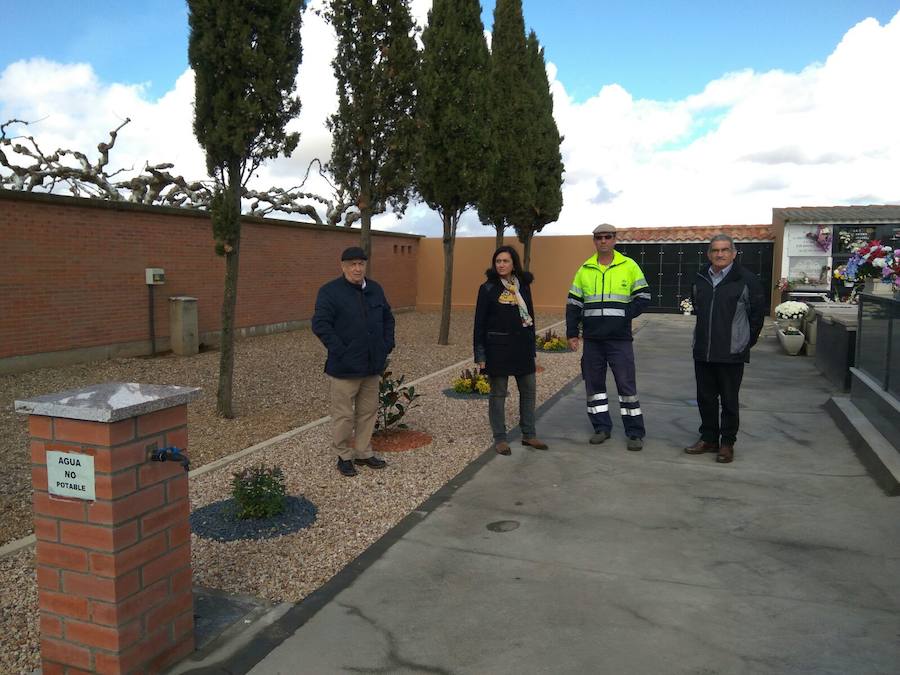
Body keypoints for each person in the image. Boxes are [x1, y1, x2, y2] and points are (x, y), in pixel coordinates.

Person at [566, 223, 651, 450]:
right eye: (599, 237)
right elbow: (574, 304)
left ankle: (634, 433)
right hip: (593, 340)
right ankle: (601, 428)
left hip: (619, 339)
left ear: (615, 239)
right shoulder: (585, 269)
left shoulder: (629, 266)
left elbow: (644, 296)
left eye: (607, 237)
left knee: (626, 385)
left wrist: (624, 315)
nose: (603, 240)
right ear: (594, 241)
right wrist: (572, 333)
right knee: (594, 386)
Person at [312, 246, 395, 477]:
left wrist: (387, 344)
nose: (357, 268)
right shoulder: (330, 292)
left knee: (368, 411)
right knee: (344, 415)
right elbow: (320, 325)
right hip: (345, 367)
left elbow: (388, 318)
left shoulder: (375, 289)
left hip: (372, 365)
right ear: (343, 266)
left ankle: (363, 452)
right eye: (352, 264)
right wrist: (342, 351)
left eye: (361, 264)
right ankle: (343, 455)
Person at [685, 234, 765, 464]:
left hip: (731, 352)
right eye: (715, 250)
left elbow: (757, 315)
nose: (719, 254)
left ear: (733, 253)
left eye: (724, 250)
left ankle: (727, 443)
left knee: (729, 400)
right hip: (703, 349)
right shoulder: (700, 277)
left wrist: (744, 342)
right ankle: (709, 438)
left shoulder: (746, 279)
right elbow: (699, 307)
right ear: (709, 253)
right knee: (705, 398)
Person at [474, 246, 548, 455]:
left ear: (513, 263)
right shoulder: (487, 288)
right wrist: (480, 355)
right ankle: (500, 438)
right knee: (498, 394)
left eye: (505, 261)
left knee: (529, 391)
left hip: (522, 348)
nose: (501, 265)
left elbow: (530, 318)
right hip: (497, 349)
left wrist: (533, 350)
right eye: (498, 261)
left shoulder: (523, 286)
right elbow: (479, 323)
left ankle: (529, 434)